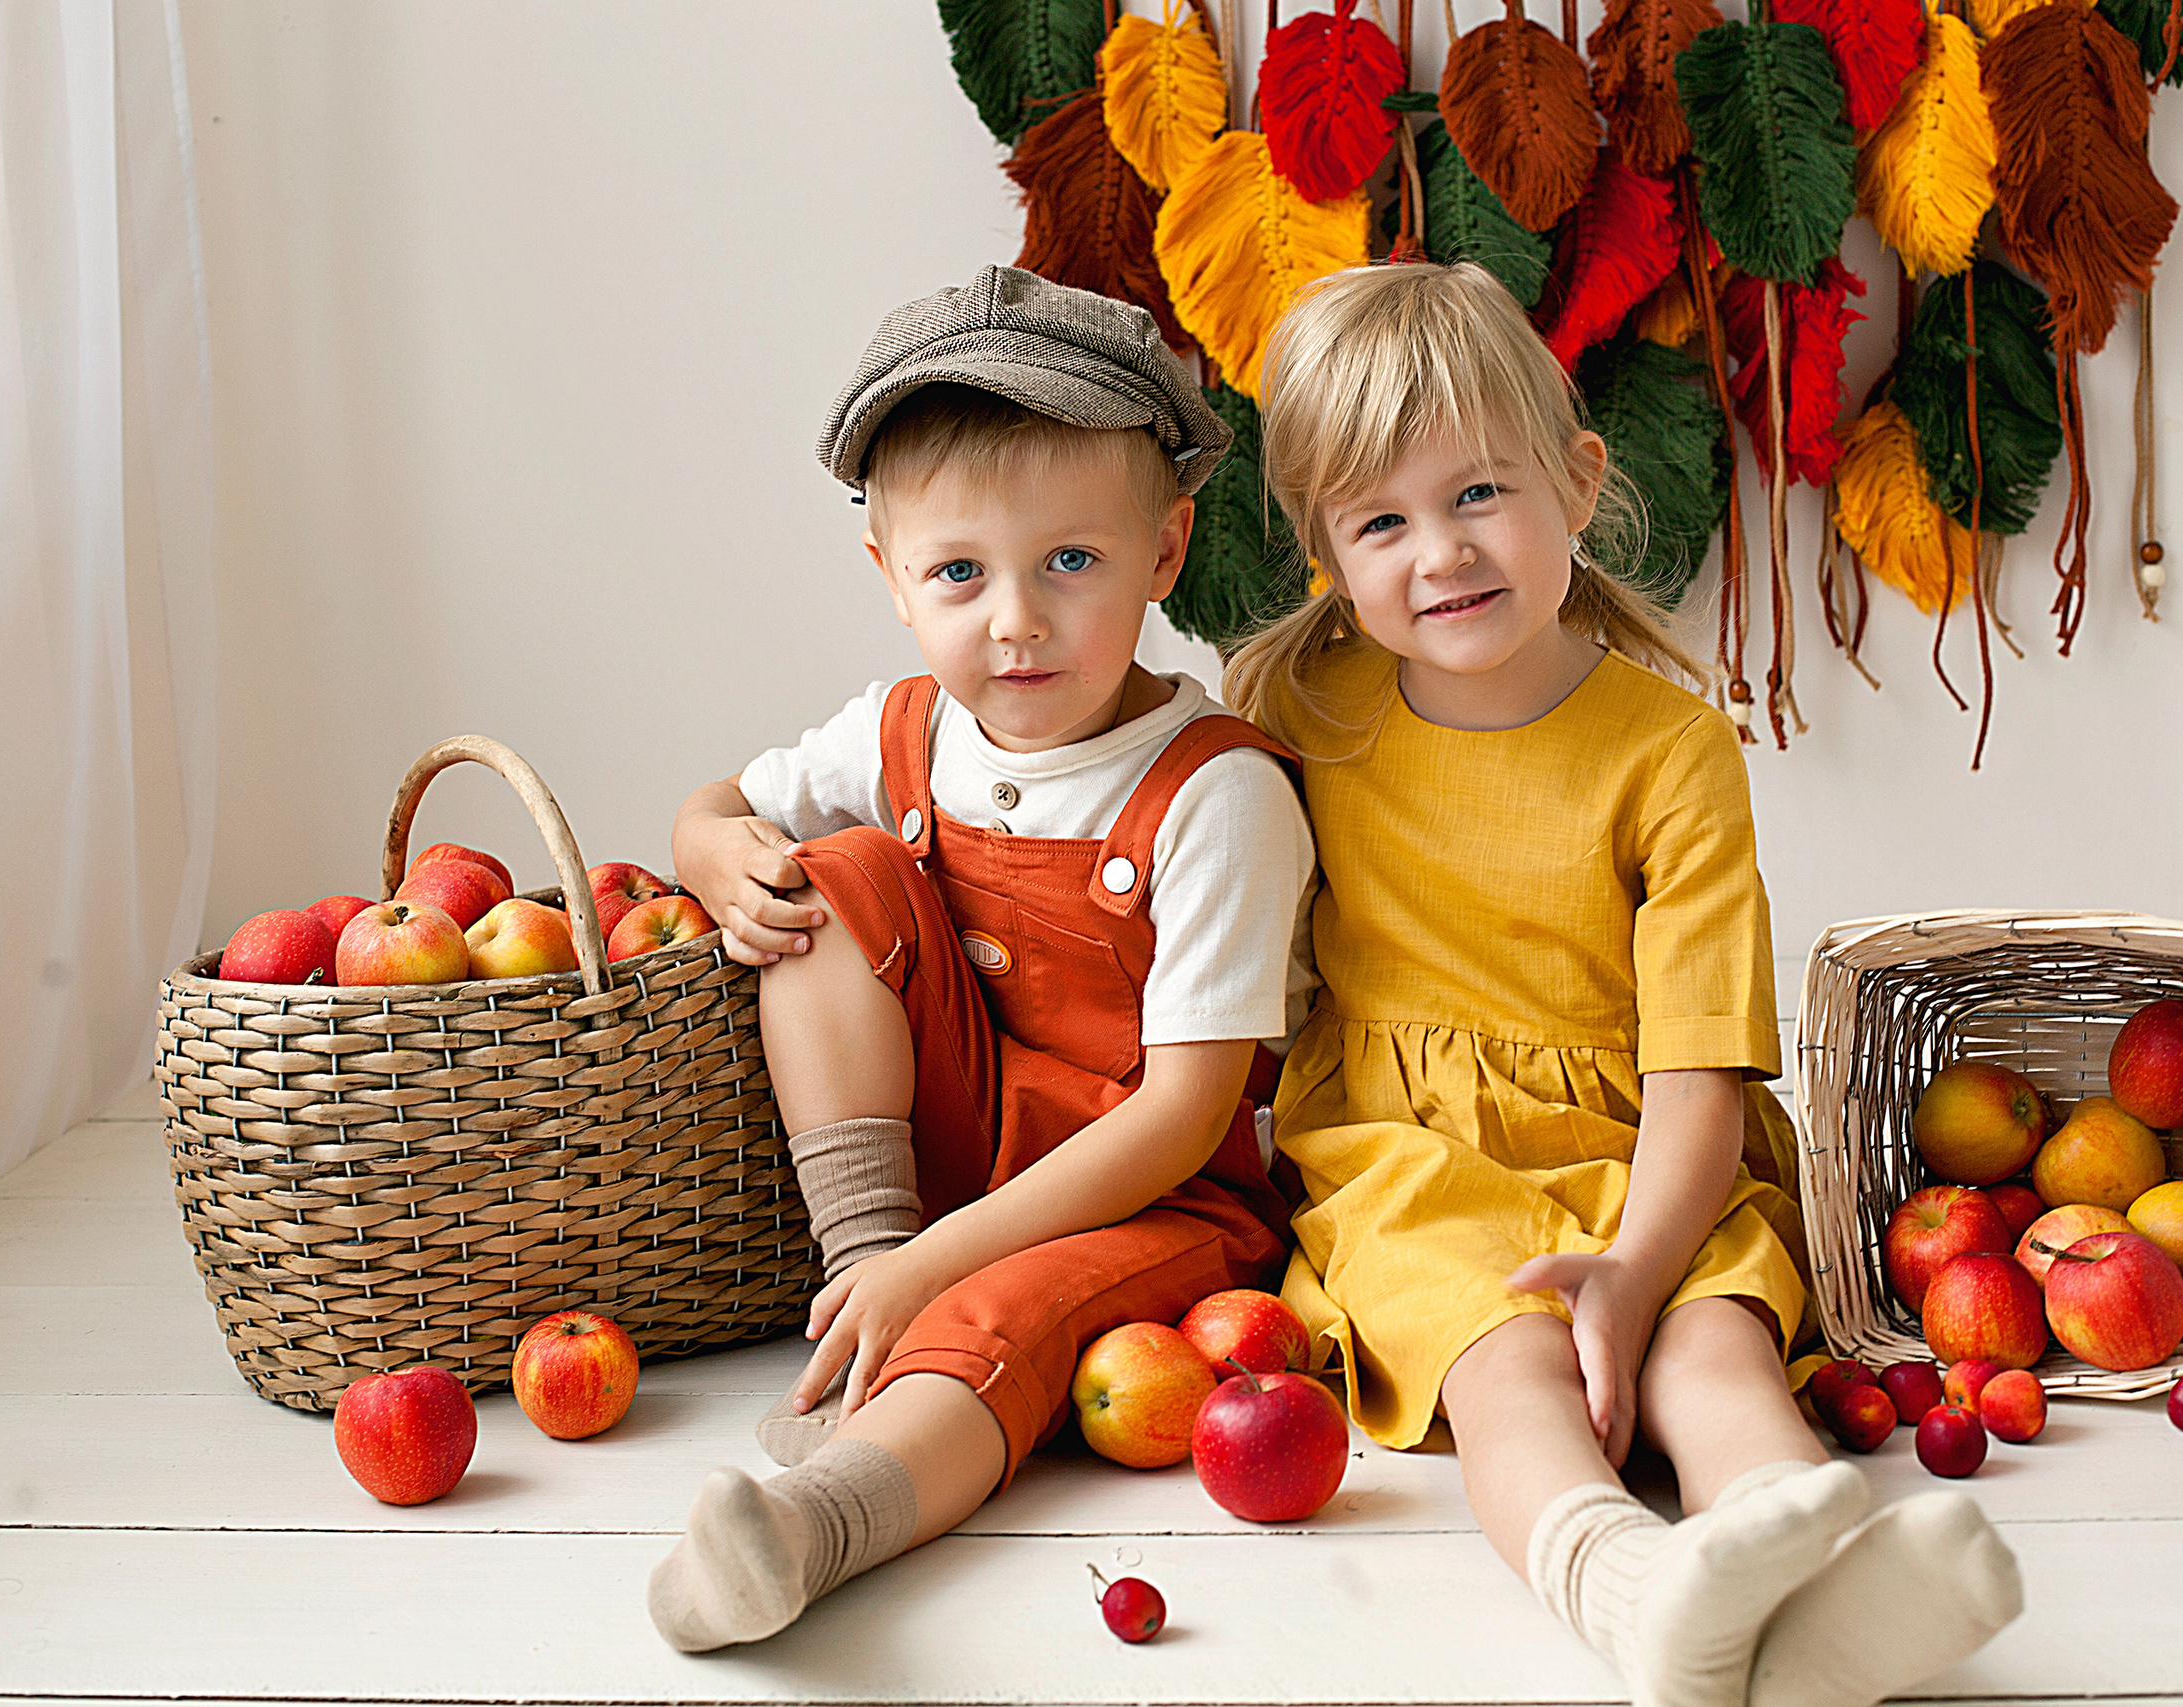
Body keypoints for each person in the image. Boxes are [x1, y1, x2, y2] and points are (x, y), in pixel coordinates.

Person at [1221, 261, 2021, 1707]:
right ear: (1326, 555)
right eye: (1382, 522)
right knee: (1507, 1361)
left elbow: (1697, 1068)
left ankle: (1835, 1586)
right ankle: (1627, 1588)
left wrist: (1639, 1270)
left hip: (1657, 1152)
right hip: (1407, 1162)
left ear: (1578, 484)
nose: (1439, 553)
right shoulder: (1299, 713)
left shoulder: (1672, 752)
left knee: (1714, 1351)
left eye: (1479, 493)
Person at [645, 266, 1314, 1651]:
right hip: (944, 1171)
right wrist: (708, 844)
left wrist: (952, 1261)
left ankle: (822, 1525)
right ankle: (865, 1269)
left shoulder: (1215, 793)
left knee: (1004, 1311)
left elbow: (1186, 1113)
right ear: (891, 578)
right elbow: (724, 807)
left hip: (1158, 1198)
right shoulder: (906, 732)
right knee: (826, 876)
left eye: (1072, 562)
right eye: (960, 572)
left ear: (1167, 552)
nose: (1016, 620)